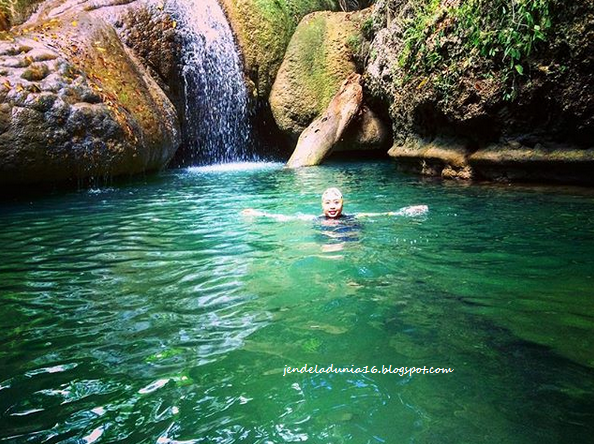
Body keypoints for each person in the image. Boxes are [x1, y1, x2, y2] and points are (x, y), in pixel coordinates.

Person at [241, 188, 428, 220]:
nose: (332, 206)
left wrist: (406, 211)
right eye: (328, 203)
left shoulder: (353, 217)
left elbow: (383, 215)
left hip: (348, 236)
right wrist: (258, 213)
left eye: (336, 202)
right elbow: (285, 218)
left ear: (342, 204)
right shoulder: (315, 219)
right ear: (322, 205)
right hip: (326, 238)